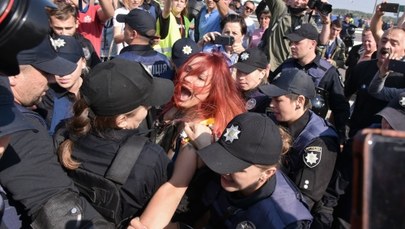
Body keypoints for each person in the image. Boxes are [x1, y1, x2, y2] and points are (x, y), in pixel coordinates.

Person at [0, 37, 113, 228]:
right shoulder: (17, 126)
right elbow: (54, 205)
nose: (52, 80)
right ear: (12, 74)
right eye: (46, 72)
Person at [129, 51, 246, 228]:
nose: (188, 79)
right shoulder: (175, 108)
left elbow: (175, 187)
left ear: (215, 88)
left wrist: (145, 225)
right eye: (188, 70)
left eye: (200, 78)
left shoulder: (197, 132)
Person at [57, 58, 174, 226]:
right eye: (147, 104)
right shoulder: (149, 158)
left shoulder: (64, 132)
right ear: (122, 120)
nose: (150, 108)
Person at [196, 112, 313, 228]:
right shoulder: (225, 173)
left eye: (236, 167)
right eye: (224, 158)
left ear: (267, 173)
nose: (224, 171)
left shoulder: (282, 222)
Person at [260, 68, 343, 228]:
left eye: (278, 100)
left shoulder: (319, 141)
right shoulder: (279, 120)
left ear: (299, 101)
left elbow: (304, 200)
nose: (271, 104)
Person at [270, 23, 350, 144]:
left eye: (297, 43)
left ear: (312, 44)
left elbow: (341, 109)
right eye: (291, 42)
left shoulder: (328, 72)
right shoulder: (286, 66)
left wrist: (341, 137)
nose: (292, 46)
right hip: (280, 132)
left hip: (310, 136)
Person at [345, 27, 405, 138]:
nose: (386, 46)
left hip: (388, 145)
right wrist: (340, 131)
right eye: (384, 41)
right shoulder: (362, 68)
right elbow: (343, 99)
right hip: (356, 137)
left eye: (394, 43)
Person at [257, 0, 331, 73]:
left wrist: (326, 22)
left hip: (290, 70)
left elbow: (322, 41)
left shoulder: (307, 20)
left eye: (303, 0)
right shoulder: (280, 9)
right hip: (271, 68)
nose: (298, 2)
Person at [36, 35, 87, 136]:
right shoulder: (44, 96)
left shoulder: (96, 90)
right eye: (56, 66)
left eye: (69, 64)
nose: (62, 73)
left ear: (83, 63)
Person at [116, 8, 174, 80]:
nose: (124, 30)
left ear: (133, 34)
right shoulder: (164, 61)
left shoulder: (119, 62)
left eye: (125, 27)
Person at [47, 1, 101, 68]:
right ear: (50, 24)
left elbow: (97, 70)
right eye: (58, 28)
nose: (64, 33)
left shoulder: (85, 44)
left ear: (77, 23)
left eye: (68, 28)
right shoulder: (44, 44)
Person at [233, 47, 271, 113]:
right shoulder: (234, 92)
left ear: (262, 73)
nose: (241, 77)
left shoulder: (265, 99)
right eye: (239, 71)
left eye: (246, 72)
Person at [344, 27, 377, 91]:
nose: (366, 43)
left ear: (375, 41)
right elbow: (347, 64)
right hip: (349, 86)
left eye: (369, 41)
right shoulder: (356, 51)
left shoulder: (378, 57)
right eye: (364, 41)